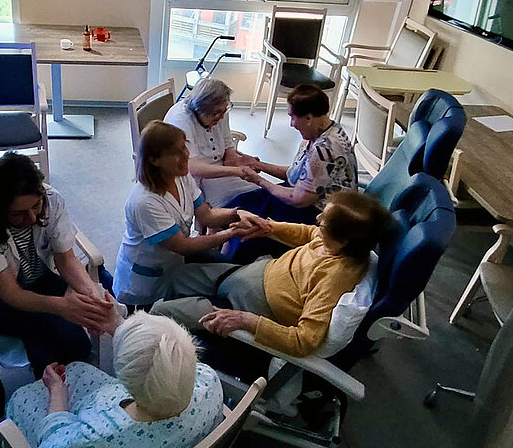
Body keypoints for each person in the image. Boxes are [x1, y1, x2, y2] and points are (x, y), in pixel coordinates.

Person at [152, 191, 390, 358]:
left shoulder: (335, 277)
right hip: (250, 273)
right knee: (176, 278)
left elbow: (304, 341)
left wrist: (246, 320)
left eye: (324, 223)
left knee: (161, 313)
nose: (318, 221)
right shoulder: (331, 241)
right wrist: (269, 228)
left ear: (343, 241)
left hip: (247, 305)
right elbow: (308, 233)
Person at [0, 152, 112, 379]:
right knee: (55, 342)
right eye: (18, 214)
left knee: (98, 292)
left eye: (36, 206)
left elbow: (65, 259)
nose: (31, 218)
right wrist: (62, 306)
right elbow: (11, 294)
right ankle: (50, 393)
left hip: (38, 276)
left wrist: (90, 293)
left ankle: (54, 379)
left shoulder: (51, 199)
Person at [5, 309, 224, 448]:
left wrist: (56, 391)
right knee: (79, 369)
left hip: (78, 420)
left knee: (20, 398)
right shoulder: (208, 381)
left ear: (126, 384)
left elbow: (54, 439)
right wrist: (118, 326)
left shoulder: (91, 440)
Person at [113, 120, 270, 308]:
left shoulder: (181, 177)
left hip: (174, 264)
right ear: (154, 160)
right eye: (175, 153)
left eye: (184, 147)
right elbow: (183, 245)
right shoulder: (145, 202)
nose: (185, 156)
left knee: (231, 270)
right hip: (144, 284)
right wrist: (231, 233)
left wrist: (237, 214)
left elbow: (206, 215)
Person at [225, 84, 358, 262]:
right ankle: (218, 251)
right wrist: (258, 164)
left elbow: (298, 199)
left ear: (309, 118)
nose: (291, 124)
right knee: (236, 205)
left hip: (318, 215)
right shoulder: (324, 131)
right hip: (302, 197)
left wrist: (259, 180)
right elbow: (296, 175)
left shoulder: (325, 150)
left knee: (247, 233)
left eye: (293, 117)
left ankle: (226, 269)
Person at [163, 78, 262, 208]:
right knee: (239, 210)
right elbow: (190, 167)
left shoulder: (219, 109)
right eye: (216, 113)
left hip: (221, 169)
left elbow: (227, 142)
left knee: (259, 195)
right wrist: (236, 171)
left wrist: (232, 159)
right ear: (200, 109)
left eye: (224, 110)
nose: (221, 116)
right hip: (194, 178)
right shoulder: (181, 121)